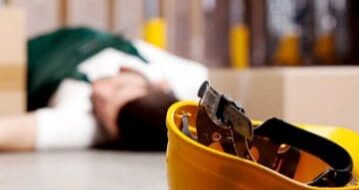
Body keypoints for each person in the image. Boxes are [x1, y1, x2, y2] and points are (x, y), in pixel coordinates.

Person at [0, 27, 208, 152]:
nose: (101, 93)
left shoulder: (85, 125)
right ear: (159, 85)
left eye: (104, 108)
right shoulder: (181, 75)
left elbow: (11, 131)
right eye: (118, 88)